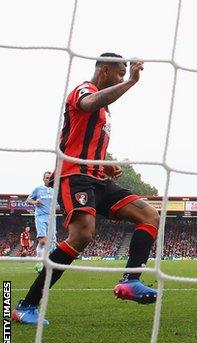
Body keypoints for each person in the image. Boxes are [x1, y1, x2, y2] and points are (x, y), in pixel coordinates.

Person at [12, 53, 161, 326]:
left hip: (97, 179)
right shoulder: (84, 90)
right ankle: (26, 306)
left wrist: (105, 165)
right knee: (82, 235)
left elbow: (78, 140)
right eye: (119, 72)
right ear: (105, 70)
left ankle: (131, 280)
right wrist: (130, 83)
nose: (121, 76)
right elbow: (88, 104)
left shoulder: (106, 112)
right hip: (75, 177)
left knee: (150, 215)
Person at [26, 171, 58, 273]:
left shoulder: (55, 191)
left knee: (52, 243)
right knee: (43, 241)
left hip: (52, 218)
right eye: (46, 177)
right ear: (43, 179)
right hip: (41, 217)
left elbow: (58, 205)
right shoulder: (38, 189)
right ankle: (39, 262)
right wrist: (35, 202)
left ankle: (48, 263)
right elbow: (27, 200)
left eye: (50, 178)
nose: (48, 179)